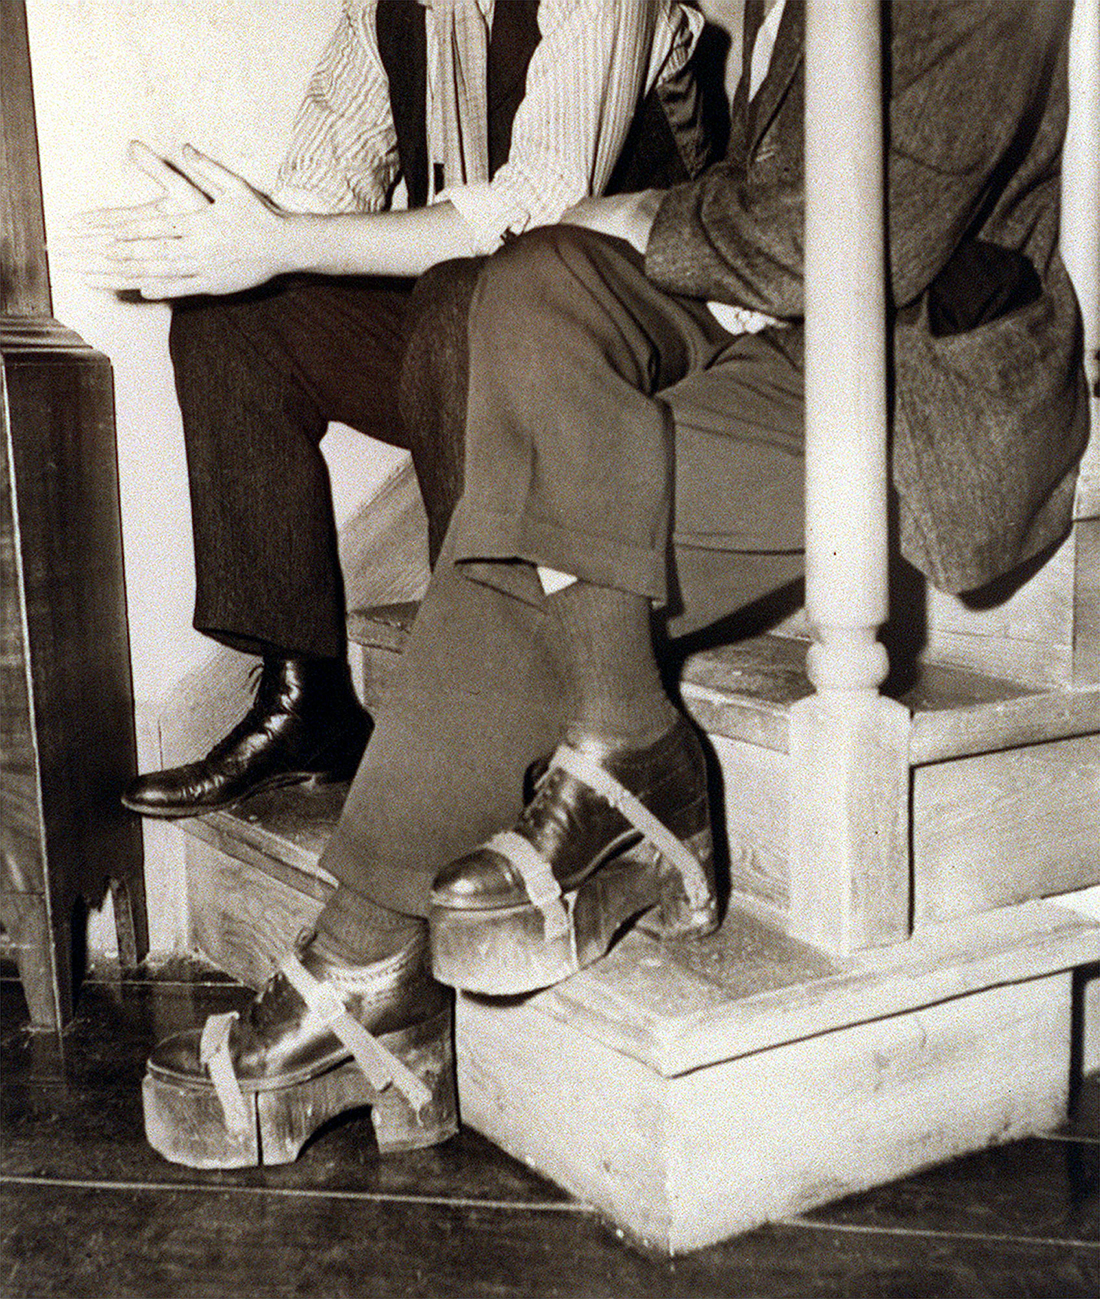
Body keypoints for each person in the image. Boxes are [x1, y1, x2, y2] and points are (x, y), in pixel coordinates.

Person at [137, 0, 1090, 1168]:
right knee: (535, 281)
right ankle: (630, 733)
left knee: (525, 526)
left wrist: (633, 214)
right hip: (772, 330)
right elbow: (749, 205)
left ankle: (365, 966)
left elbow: (847, 243)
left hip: (911, 382)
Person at [68, 0, 711, 820]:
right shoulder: (382, 13)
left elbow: (537, 203)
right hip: (480, 341)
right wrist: (225, 236)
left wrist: (285, 239)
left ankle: (496, 703)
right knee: (231, 315)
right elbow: (314, 196)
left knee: (462, 295)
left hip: (645, 354)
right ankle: (307, 703)